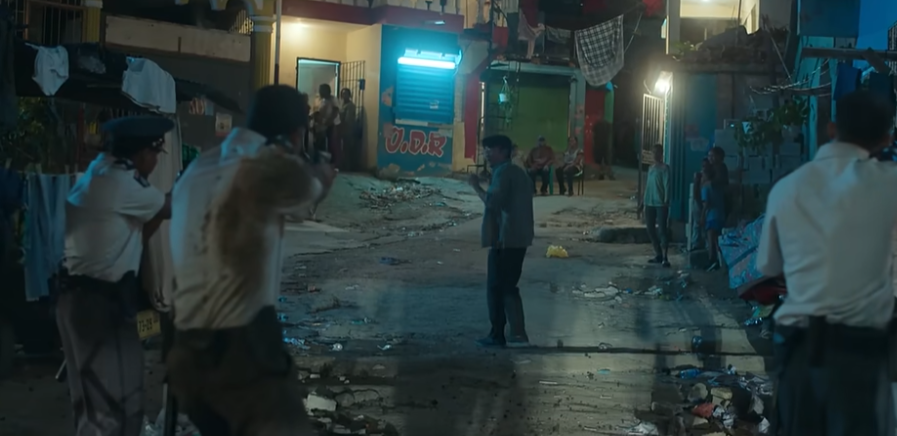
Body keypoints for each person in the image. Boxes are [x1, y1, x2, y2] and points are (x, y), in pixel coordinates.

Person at [167, 85, 335, 435]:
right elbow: (313, 190)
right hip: (243, 349)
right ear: (295, 135)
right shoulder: (269, 167)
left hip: (186, 348)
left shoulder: (197, 168)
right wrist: (320, 170)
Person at [757, 90, 897, 436]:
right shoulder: (890, 185)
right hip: (863, 360)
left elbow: (768, 266)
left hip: (800, 354)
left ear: (832, 129)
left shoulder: (787, 188)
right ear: (886, 139)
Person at [58, 116, 174, 436]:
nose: (155, 162)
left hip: (75, 299)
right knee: (117, 405)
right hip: (101, 306)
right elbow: (171, 207)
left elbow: (138, 232)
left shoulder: (98, 171)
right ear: (143, 154)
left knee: (91, 407)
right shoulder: (125, 184)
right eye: (156, 154)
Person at [468, 135, 534, 348]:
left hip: (505, 239)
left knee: (497, 288)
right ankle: (517, 333)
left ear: (503, 152)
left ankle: (498, 334)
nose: (486, 154)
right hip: (518, 238)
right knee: (508, 286)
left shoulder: (504, 172)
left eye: (490, 150)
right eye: (485, 150)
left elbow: (492, 202)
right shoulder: (514, 171)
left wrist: (476, 186)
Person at [640, 143, 671, 267]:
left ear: (661, 154)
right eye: (654, 152)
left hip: (660, 203)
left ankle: (665, 256)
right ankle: (658, 254)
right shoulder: (651, 168)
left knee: (662, 230)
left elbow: (667, 185)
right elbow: (647, 186)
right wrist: (643, 201)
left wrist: (666, 200)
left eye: (658, 152)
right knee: (650, 229)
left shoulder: (665, 168)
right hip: (649, 202)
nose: (655, 155)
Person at [700, 165, 725, 271]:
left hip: (711, 216)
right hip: (720, 215)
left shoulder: (705, 187)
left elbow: (706, 203)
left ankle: (712, 260)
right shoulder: (717, 186)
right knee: (717, 240)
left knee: (711, 240)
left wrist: (702, 216)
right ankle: (720, 261)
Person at [339, 88, 358, 170]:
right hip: (342, 129)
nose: (344, 95)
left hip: (347, 130)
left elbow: (348, 119)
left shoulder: (350, 106)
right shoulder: (341, 105)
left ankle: (347, 167)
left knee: (347, 148)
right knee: (343, 148)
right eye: (343, 94)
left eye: (346, 94)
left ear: (349, 95)